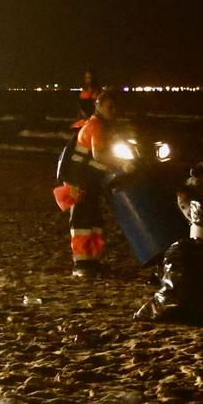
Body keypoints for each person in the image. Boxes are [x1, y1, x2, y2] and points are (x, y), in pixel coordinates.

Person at [54, 86, 127, 277]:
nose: (114, 111)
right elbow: (99, 155)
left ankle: (92, 261)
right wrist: (123, 163)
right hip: (80, 182)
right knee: (82, 222)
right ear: (99, 105)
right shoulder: (96, 126)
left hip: (90, 183)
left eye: (115, 107)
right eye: (110, 107)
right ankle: (81, 264)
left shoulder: (101, 126)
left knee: (94, 222)